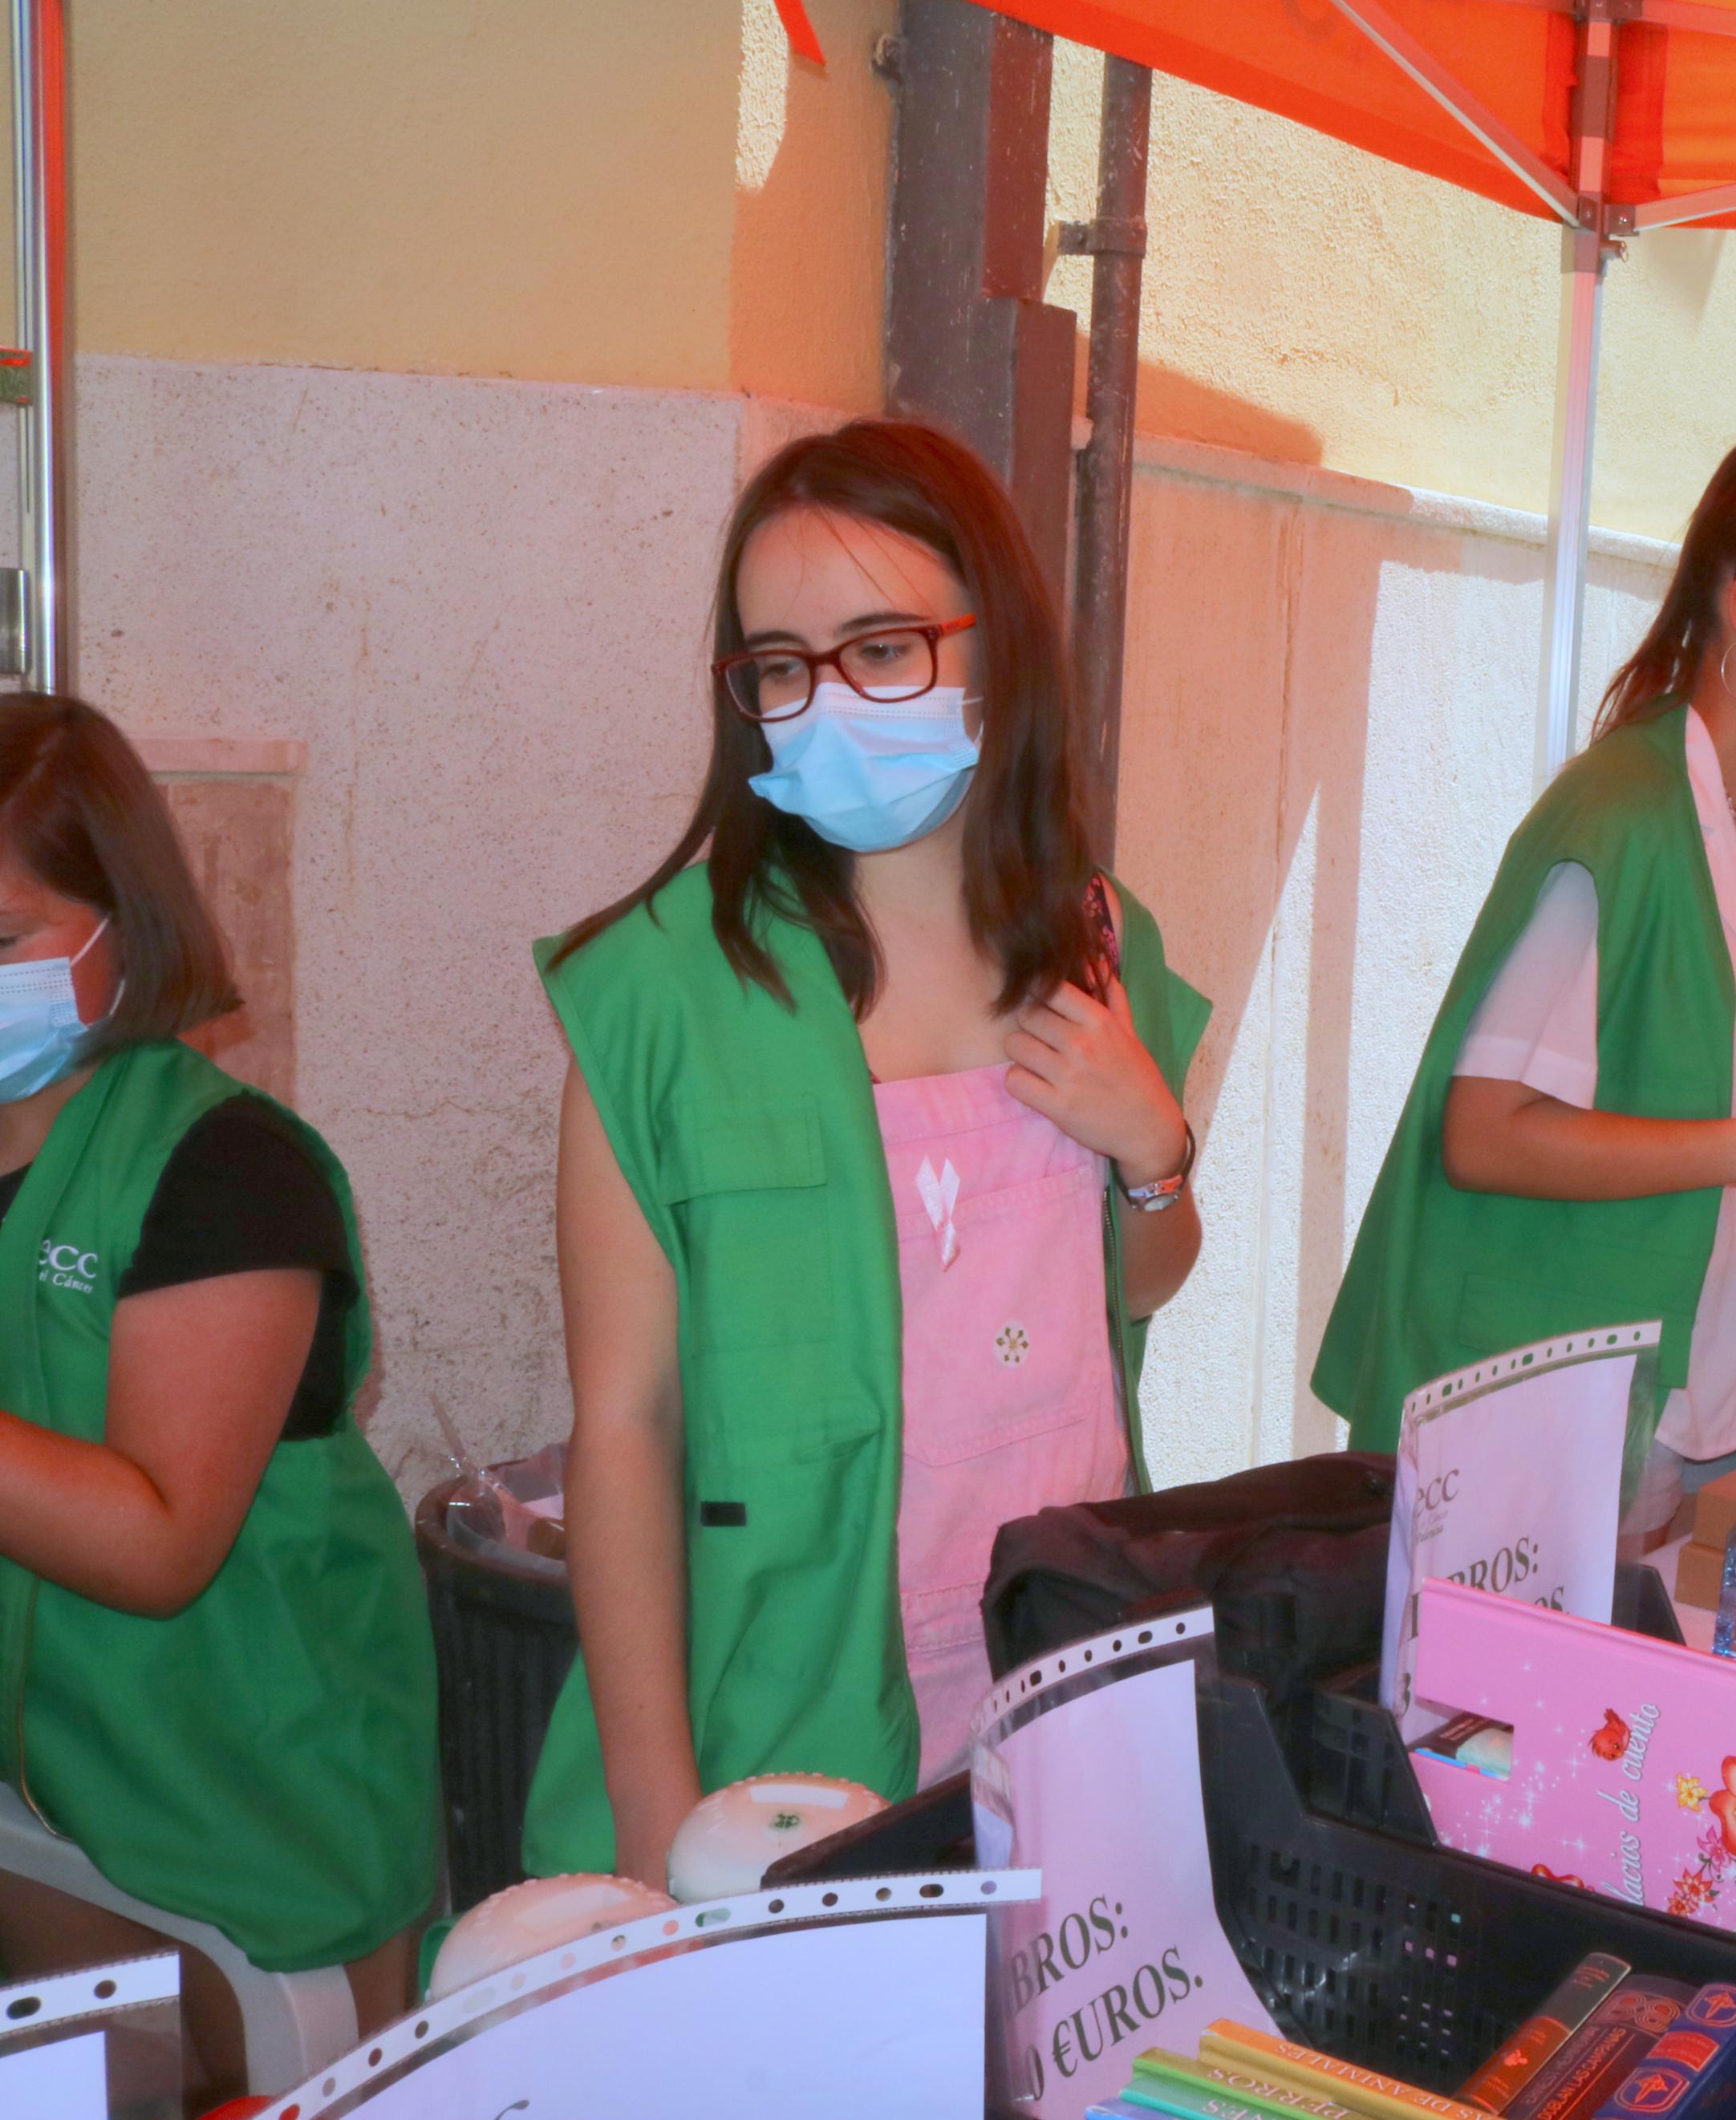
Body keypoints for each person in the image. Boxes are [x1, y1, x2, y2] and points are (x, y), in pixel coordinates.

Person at [528, 421, 1211, 1889]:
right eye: (781, 666)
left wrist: (1154, 1146)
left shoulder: (1098, 942)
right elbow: (625, 1425)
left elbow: (1137, 1290)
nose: (826, 705)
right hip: (775, 1712)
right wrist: (658, 1828)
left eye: (882, 649)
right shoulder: (657, 995)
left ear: (996, 647)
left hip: (1050, 1666)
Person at [1313, 421, 1736, 1520]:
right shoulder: (1620, 815)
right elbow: (1483, 1131)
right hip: (1536, 1413)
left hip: (1691, 1413)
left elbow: (1722, 1103)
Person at [0, 696, 435, 2103]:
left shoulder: (227, 1173)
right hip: (46, 1805)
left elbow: (155, 1542)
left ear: (119, 925)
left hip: (247, 1807)